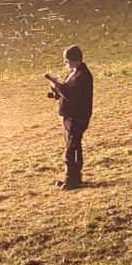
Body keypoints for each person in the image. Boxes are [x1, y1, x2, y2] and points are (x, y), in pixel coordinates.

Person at [43, 45, 94, 189]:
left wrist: (57, 85)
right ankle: (73, 178)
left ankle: (72, 180)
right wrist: (55, 91)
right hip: (69, 117)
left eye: (66, 60)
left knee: (72, 149)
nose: (65, 63)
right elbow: (66, 90)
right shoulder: (74, 72)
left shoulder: (82, 75)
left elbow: (71, 94)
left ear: (73, 60)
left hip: (77, 118)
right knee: (71, 147)